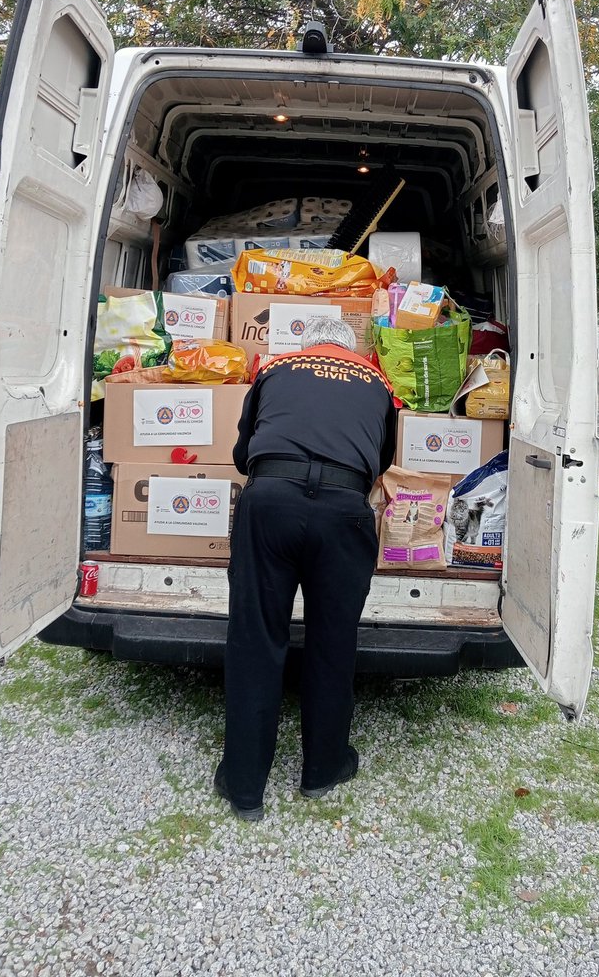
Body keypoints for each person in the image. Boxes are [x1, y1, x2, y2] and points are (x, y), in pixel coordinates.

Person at [214, 316, 397, 820]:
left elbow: (241, 454)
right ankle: (324, 769)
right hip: (343, 511)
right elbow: (380, 462)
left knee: (255, 639)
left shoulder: (275, 367)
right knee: (332, 641)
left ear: (307, 345)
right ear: (349, 349)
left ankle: (245, 787)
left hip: (270, 502)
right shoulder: (378, 380)